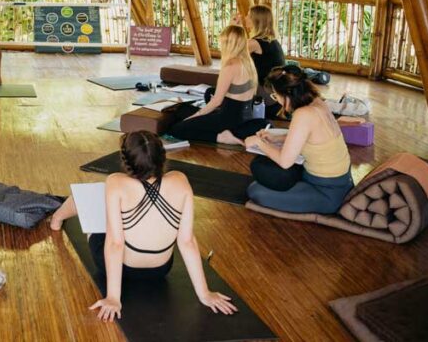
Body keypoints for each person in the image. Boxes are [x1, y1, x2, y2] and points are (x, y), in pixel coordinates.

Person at [49, 131, 236, 321]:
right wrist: (204, 293)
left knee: (95, 194)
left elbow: (115, 244)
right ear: (162, 157)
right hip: (160, 270)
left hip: (121, 267)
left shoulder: (116, 181)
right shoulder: (180, 180)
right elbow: (187, 242)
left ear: (126, 161)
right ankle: (59, 218)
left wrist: (113, 297)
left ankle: (56, 219)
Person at [244, 66, 353, 214]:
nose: (278, 101)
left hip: (327, 191)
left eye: (276, 96)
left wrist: (258, 143)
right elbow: (310, 136)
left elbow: (285, 161)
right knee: (268, 174)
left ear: (287, 94)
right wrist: (276, 138)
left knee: (255, 191)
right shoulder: (317, 102)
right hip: (340, 181)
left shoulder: (303, 114)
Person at [170, 25, 265, 145]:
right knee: (182, 110)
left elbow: (217, 102)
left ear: (227, 44)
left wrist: (195, 116)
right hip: (244, 117)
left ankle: (221, 137)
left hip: (228, 120)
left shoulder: (230, 66)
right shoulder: (249, 62)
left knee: (177, 129)